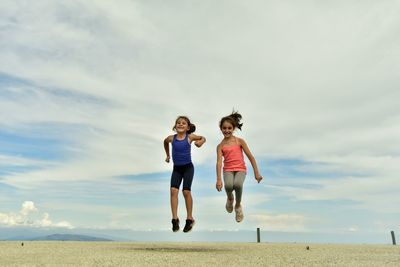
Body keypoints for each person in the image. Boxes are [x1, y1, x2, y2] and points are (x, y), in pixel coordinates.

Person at [216, 111, 263, 222]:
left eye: (229, 128)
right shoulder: (220, 146)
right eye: (224, 128)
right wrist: (218, 180)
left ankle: (237, 206)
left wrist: (257, 173)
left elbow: (251, 157)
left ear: (233, 128)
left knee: (237, 184)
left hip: (240, 169)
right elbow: (218, 163)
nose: (227, 130)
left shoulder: (240, 141)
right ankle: (230, 199)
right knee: (228, 186)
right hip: (228, 169)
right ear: (221, 129)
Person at [164, 116, 206, 233]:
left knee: (186, 191)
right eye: (178, 123)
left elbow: (203, 138)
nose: (180, 124)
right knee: (173, 191)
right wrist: (168, 155)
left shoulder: (190, 137)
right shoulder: (171, 138)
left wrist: (200, 142)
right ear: (175, 126)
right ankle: (174, 219)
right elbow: (165, 141)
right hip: (177, 169)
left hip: (188, 168)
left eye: (183, 123)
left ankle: (189, 219)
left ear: (188, 127)